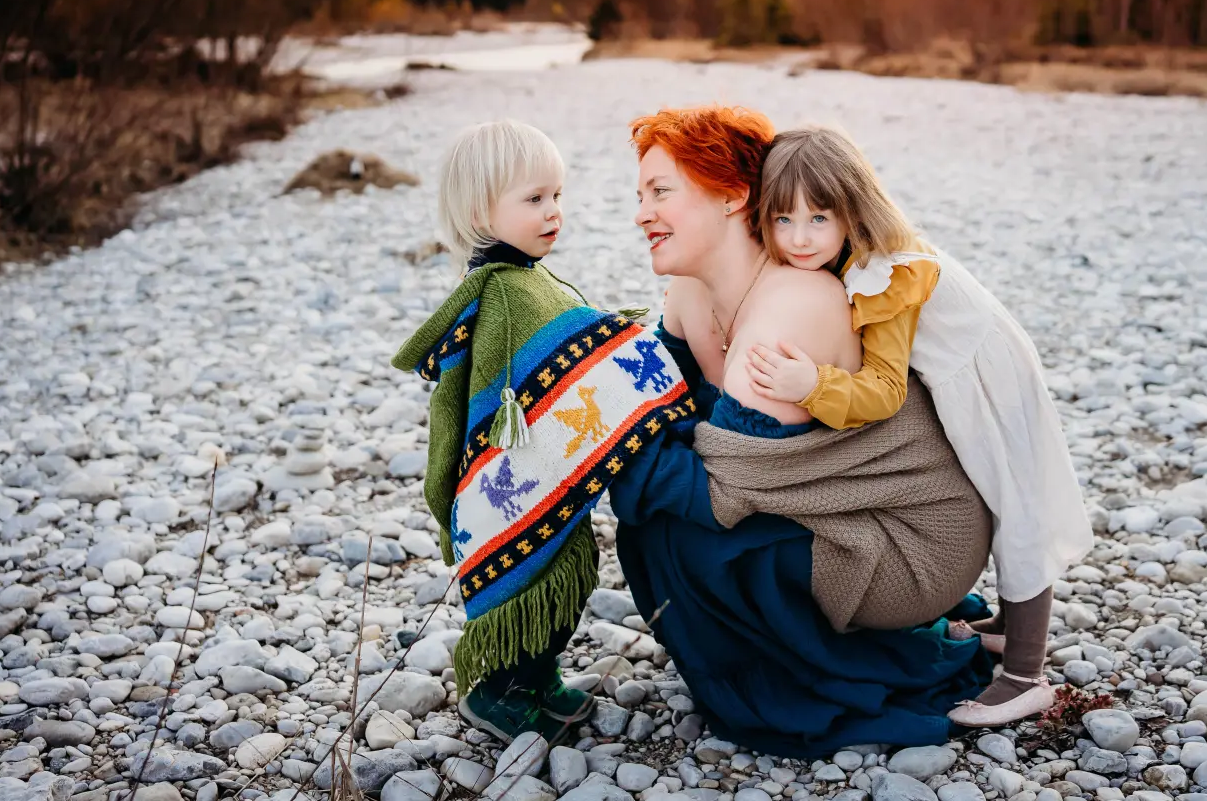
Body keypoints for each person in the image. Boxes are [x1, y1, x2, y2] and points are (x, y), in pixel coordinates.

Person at [611, 105, 996, 756]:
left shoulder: (790, 307)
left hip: (914, 542)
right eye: (638, 195)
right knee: (656, 516)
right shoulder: (689, 292)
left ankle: (822, 676)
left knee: (685, 537)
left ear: (732, 196)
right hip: (838, 512)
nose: (641, 213)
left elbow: (718, 495)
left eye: (660, 193)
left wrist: (594, 454)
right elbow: (653, 404)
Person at [742, 125, 1095, 725]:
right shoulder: (853, 255)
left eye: (819, 219)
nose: (800, 239)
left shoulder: (887, 274)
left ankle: (1026, 674)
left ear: (852, 208)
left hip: (985, 375)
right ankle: (1008, 627)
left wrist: (813, 387)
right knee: (994, 491)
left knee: (1017, 503)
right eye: (783, 220)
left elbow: (883, 391)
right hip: (964, 366)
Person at [391, 120, 690, 742]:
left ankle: (541, 679)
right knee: (535, 571)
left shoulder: (523, 277)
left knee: (562, 567)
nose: (553, 212)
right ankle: (499, 692)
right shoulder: (505, 292)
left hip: (539, 473)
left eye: (557, 195)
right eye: (534, 199)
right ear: (481, 210)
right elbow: (546, 365)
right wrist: (629, 341)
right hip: (518, 481)